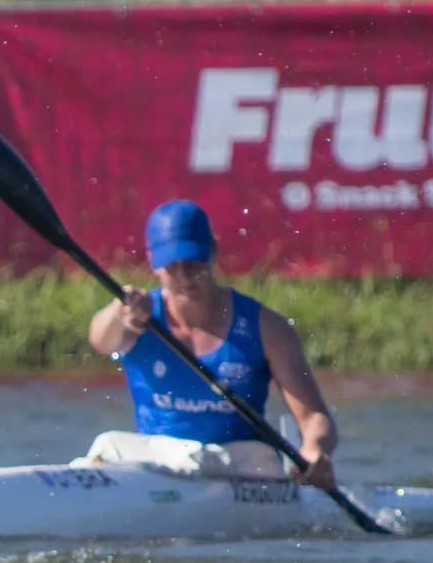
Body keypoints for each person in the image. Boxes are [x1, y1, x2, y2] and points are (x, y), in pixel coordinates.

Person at [84, 199, 340, 489]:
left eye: (193, 264)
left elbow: (315, 418)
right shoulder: (137, 319)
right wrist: (120, 312)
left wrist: (315, 449)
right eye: (173, 266)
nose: (184, 277)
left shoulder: (267, 328)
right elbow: (100, 340)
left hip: (241, 465)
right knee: (107, 443)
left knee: (206, 457)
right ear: (153, 262)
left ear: (213, 253)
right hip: (159, 460)